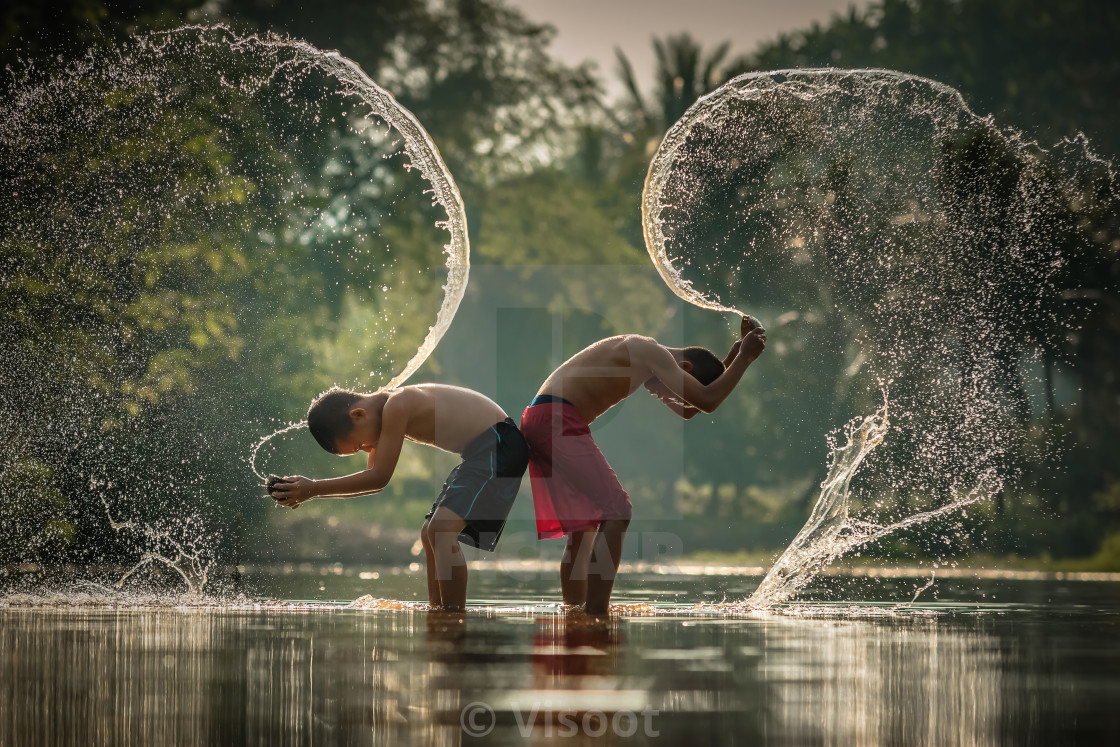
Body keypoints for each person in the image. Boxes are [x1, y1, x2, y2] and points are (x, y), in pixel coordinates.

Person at [520, 316, 766, 614]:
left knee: (584, 528)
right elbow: (706, 400)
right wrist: (745, 358)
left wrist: (731, 356)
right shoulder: (649, 352)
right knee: (619, 512)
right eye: (671, 390)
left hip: (542, 418)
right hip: (556, 420)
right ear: (684, 369)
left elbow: (688, 410)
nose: (664, 397)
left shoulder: (649, 360)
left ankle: (574, 611)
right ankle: (596, 612)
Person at [270, 384, 529, 611]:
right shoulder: (382, 408)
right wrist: (310, 489)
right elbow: (373, 474)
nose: (369, 450)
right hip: (480, 452)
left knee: (442, 530)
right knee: (430, 533)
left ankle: (452, 616)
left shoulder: (397, 404)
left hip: (498, 444)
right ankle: (437, 610)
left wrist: (313, 488)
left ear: (359, 414)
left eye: (360, 445)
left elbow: (378, 478)